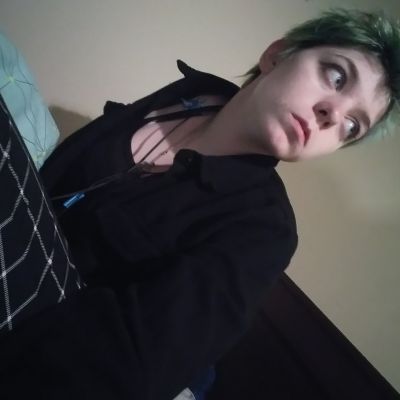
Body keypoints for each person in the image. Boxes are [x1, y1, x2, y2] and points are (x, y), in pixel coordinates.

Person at [1, 8, 400, 400]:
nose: (333, 115)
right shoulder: (188, 95)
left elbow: (124, 369)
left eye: (352, 126)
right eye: (336, 76)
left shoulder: (265, 231)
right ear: (277, 54)